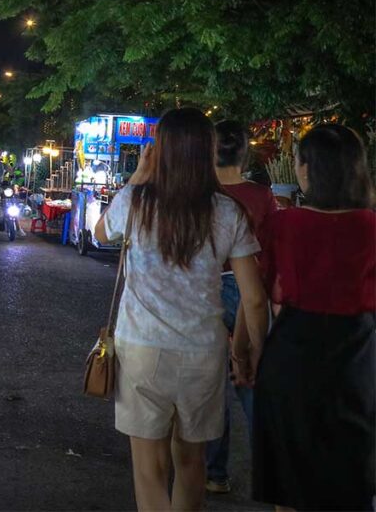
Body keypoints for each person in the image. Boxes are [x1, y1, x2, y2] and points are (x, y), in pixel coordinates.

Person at [92, 108, 269, 512]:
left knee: (149, 470)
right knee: (191, 465)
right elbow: (254, 297)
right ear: (207, 151)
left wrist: (139, 175)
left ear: (162, 151)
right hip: (203, 353)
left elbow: (99, 232)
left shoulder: (136, 201)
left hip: (141, 349)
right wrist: (251, 352)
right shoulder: (228, 212)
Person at [249, 124, 374, 511]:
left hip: (292, 358)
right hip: (359, 361)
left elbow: (267, 293)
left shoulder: (284, 225)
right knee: (351, 480)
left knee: (289, 482)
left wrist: (246, 352)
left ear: (304, 169)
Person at [205, 121, 279, 494]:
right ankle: (270, 473)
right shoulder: (263, 196)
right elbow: (269, 254)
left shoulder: (201, 195)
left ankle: (215, 474)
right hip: (250, 291)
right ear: (243, 152)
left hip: (208, 292)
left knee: (213, 390)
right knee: (252, 384)